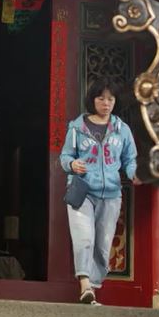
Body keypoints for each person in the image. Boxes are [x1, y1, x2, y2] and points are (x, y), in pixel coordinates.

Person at [58, 81, 138, 305]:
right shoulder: (77, 127)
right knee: (84, 238)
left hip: (111, 194)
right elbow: (65, 156)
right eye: (101, 98)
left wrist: (134, 173)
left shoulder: (122, 129)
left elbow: (130, 159)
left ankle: (91, 288)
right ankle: (85, 284)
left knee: (102, 246)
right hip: (82, 191)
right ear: (92, 100)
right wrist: (72, 164)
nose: (106, 103)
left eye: (110, 99)